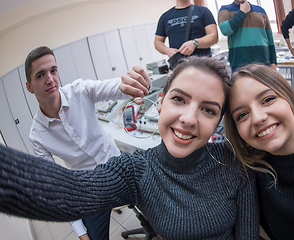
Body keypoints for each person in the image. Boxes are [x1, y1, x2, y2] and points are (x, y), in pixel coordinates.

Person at [0, 56, 259, 240]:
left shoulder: (234, 162)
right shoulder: (136, 170)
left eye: (208, 110)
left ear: (218, 123)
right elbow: (64, 192)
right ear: (160, 102)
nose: (189, 119)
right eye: (179, 99)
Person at [24, 46, 151, 240]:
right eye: (40, 75)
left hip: (118, 166)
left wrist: (132, 85)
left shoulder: (79, 91)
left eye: (53, 70)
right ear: (29, 86)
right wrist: (81, 233)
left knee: (158, 207)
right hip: (89, 189)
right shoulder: (37, 136)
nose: (50, 79)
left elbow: (113, 87)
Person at [224, 63, 294, 239]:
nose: (258, 118)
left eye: (268, 99)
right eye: (242, 115)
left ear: (289, 95)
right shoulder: (249, 174)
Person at [154, 0, 218, 69]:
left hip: (203, 66)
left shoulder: (203, 11)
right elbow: (158, 41)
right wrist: (167, 50)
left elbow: (214, 36)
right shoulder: (165, 17)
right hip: (179, 67)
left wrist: (195, 43)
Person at [218, 0, 277, 73]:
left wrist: (273, 62)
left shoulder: (260, 10)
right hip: (239, 63)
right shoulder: (225, 9)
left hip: (263, 61)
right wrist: (242, 12)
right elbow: (225, 30)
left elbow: (269, 38)